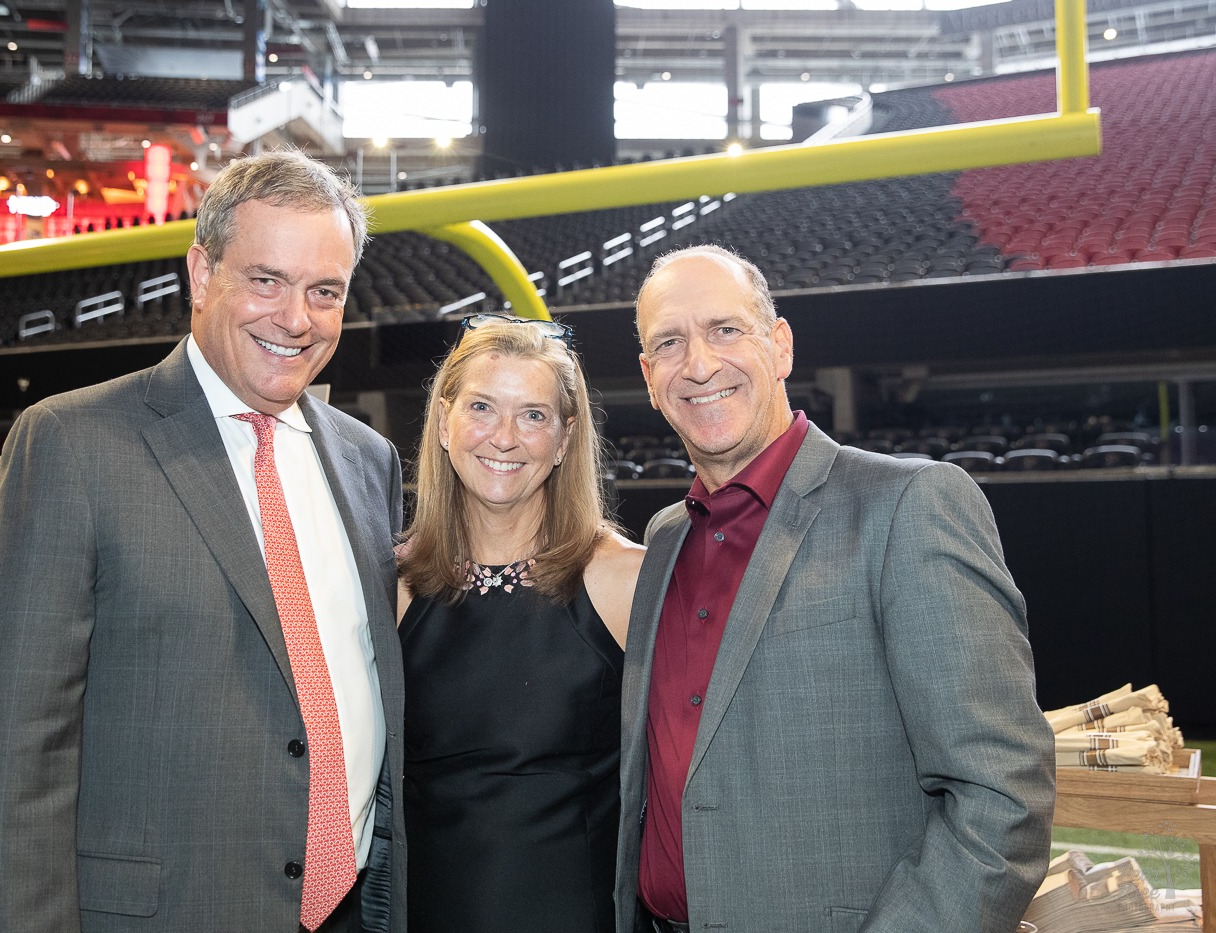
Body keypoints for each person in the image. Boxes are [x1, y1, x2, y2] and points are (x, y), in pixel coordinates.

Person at [0, 150, 407, 933]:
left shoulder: (368, 459)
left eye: (323, 291)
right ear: (200, 272)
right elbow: (3, 756)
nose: (295, 317)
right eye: (266, 279)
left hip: (352, 911)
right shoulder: (70, 443)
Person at [615, 245, 1056, 933]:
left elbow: (1002, 793)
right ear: (648, 376)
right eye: (669, 342)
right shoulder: (666, 537)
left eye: (725, 329)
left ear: (781, 345)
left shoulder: (908, 504)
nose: (698, 363)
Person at [396, 313, 645, 933]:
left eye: (533, 415)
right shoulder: (391, 587)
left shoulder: (625, 581)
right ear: (445, 426)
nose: (504, 437)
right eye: (481, 407)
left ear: (564, 441)